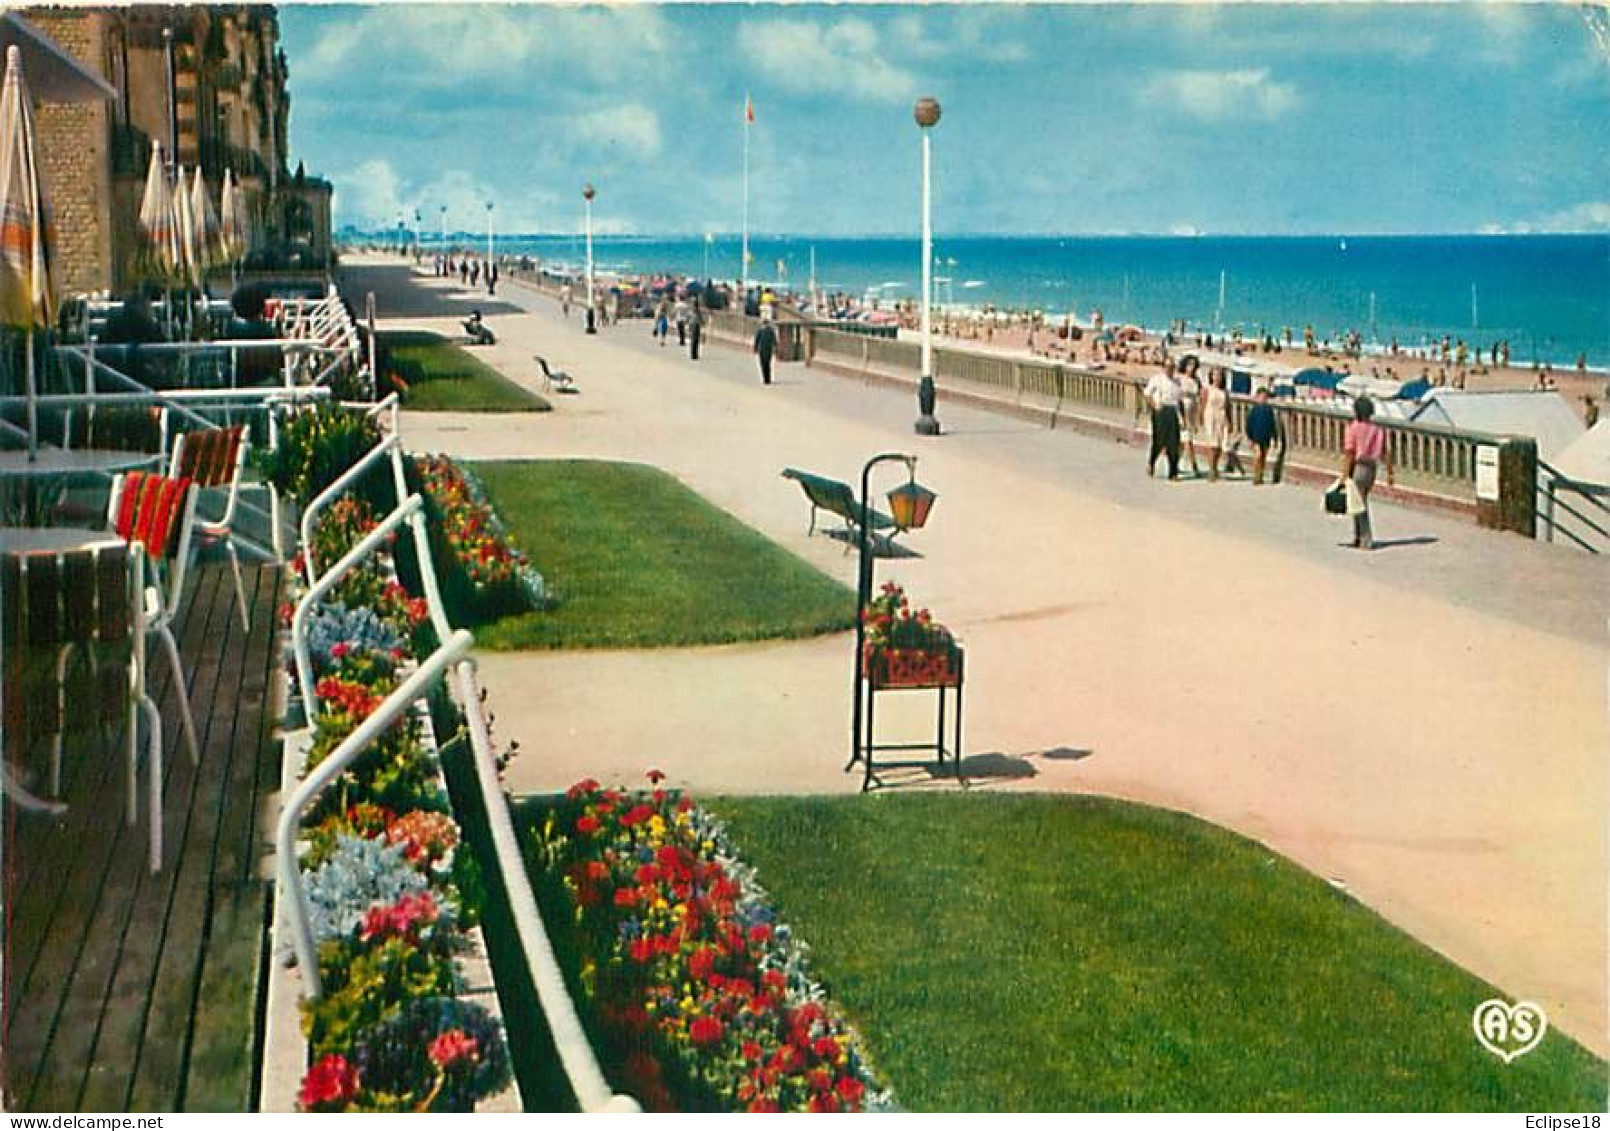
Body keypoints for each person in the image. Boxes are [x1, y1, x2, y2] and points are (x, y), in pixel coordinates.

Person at [1341, 396, 1394, 550]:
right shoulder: (1378, 430)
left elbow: (1349, 452)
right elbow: (1386, 452)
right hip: (1372, 468)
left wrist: (1344, 474)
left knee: (1359, 503)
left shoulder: (1354, 427)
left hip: (1358, 467)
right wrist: (1390, 472)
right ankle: (1358, 536)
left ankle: (1365, 538)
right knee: (1358, 501)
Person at [1143, 364, 1183, 479]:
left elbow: (1179, 401)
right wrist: (1154, 405)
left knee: (1174, 443)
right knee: (1159, 441)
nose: (1169, 369)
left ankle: (1173, 472)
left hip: (1172, 411)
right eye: (1167, 366)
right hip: (1161, 410)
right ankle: (1151, 462)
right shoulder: (1157, 379)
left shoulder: (1177, 382)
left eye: (1171, 367)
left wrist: (1183, 418)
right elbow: (1147, 394)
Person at [1245, 386, 1281, 485]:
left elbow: (1272, 425)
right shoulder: (1254, 410)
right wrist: (1249, 438)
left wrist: (1275, 438)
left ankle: (1261, 474)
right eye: (1261, 397)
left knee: (1263, 456)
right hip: (1256, 436)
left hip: (1266, 436)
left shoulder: (1269, 410)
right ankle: (1256, 475)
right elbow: (1249, 424)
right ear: (1257, 397)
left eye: (1265, 397)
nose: (1263, 399)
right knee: (1258, 455)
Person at [1201, 371, 1231, 481]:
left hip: (1221, 416)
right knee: (1212, 444)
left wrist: (1229, 420)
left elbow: (1228, 407)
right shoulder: (1207, 389)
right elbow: (1203, 404)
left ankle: (1215, 465)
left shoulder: (1225, 392)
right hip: (1210, 416)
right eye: (1215, 375)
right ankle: (1211, 469)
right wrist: (1200, 418)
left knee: (1220, 444)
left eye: (1219, 375)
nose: (1217, 377)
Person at [753, 316, 778, 385]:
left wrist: (755, 348)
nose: (764, 324)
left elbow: (774, 340)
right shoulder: (761, 331)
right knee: (764, 364)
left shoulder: (769, 330)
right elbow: (757, 340)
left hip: (766, 349)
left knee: (766, 364)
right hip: (764, 349)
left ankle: (767, 379)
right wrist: (755, 348)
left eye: (765, 323)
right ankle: (766, 378)